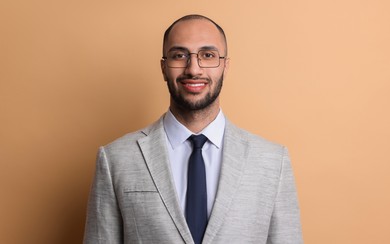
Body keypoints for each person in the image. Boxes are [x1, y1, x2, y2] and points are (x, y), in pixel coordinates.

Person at [83, 14, 303, 244]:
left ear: (225, 66)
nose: (194, 69)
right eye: (179, 55)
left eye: (208, 55)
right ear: (163, 67)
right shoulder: (116, 159)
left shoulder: (273, 161)